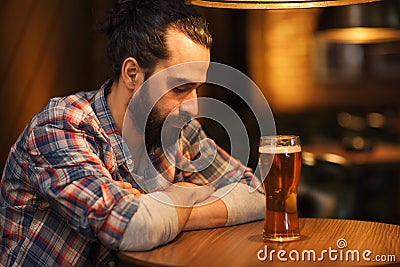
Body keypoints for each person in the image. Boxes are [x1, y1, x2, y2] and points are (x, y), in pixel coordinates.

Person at [0, 0, 265, 266]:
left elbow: (257, 195)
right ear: (132, 74)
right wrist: (182, 194)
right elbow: (133, 228)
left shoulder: (178, 131)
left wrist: (161, 205)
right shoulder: (60, 126)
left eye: (197, 88)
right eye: (179, 89)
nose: (193, 107)